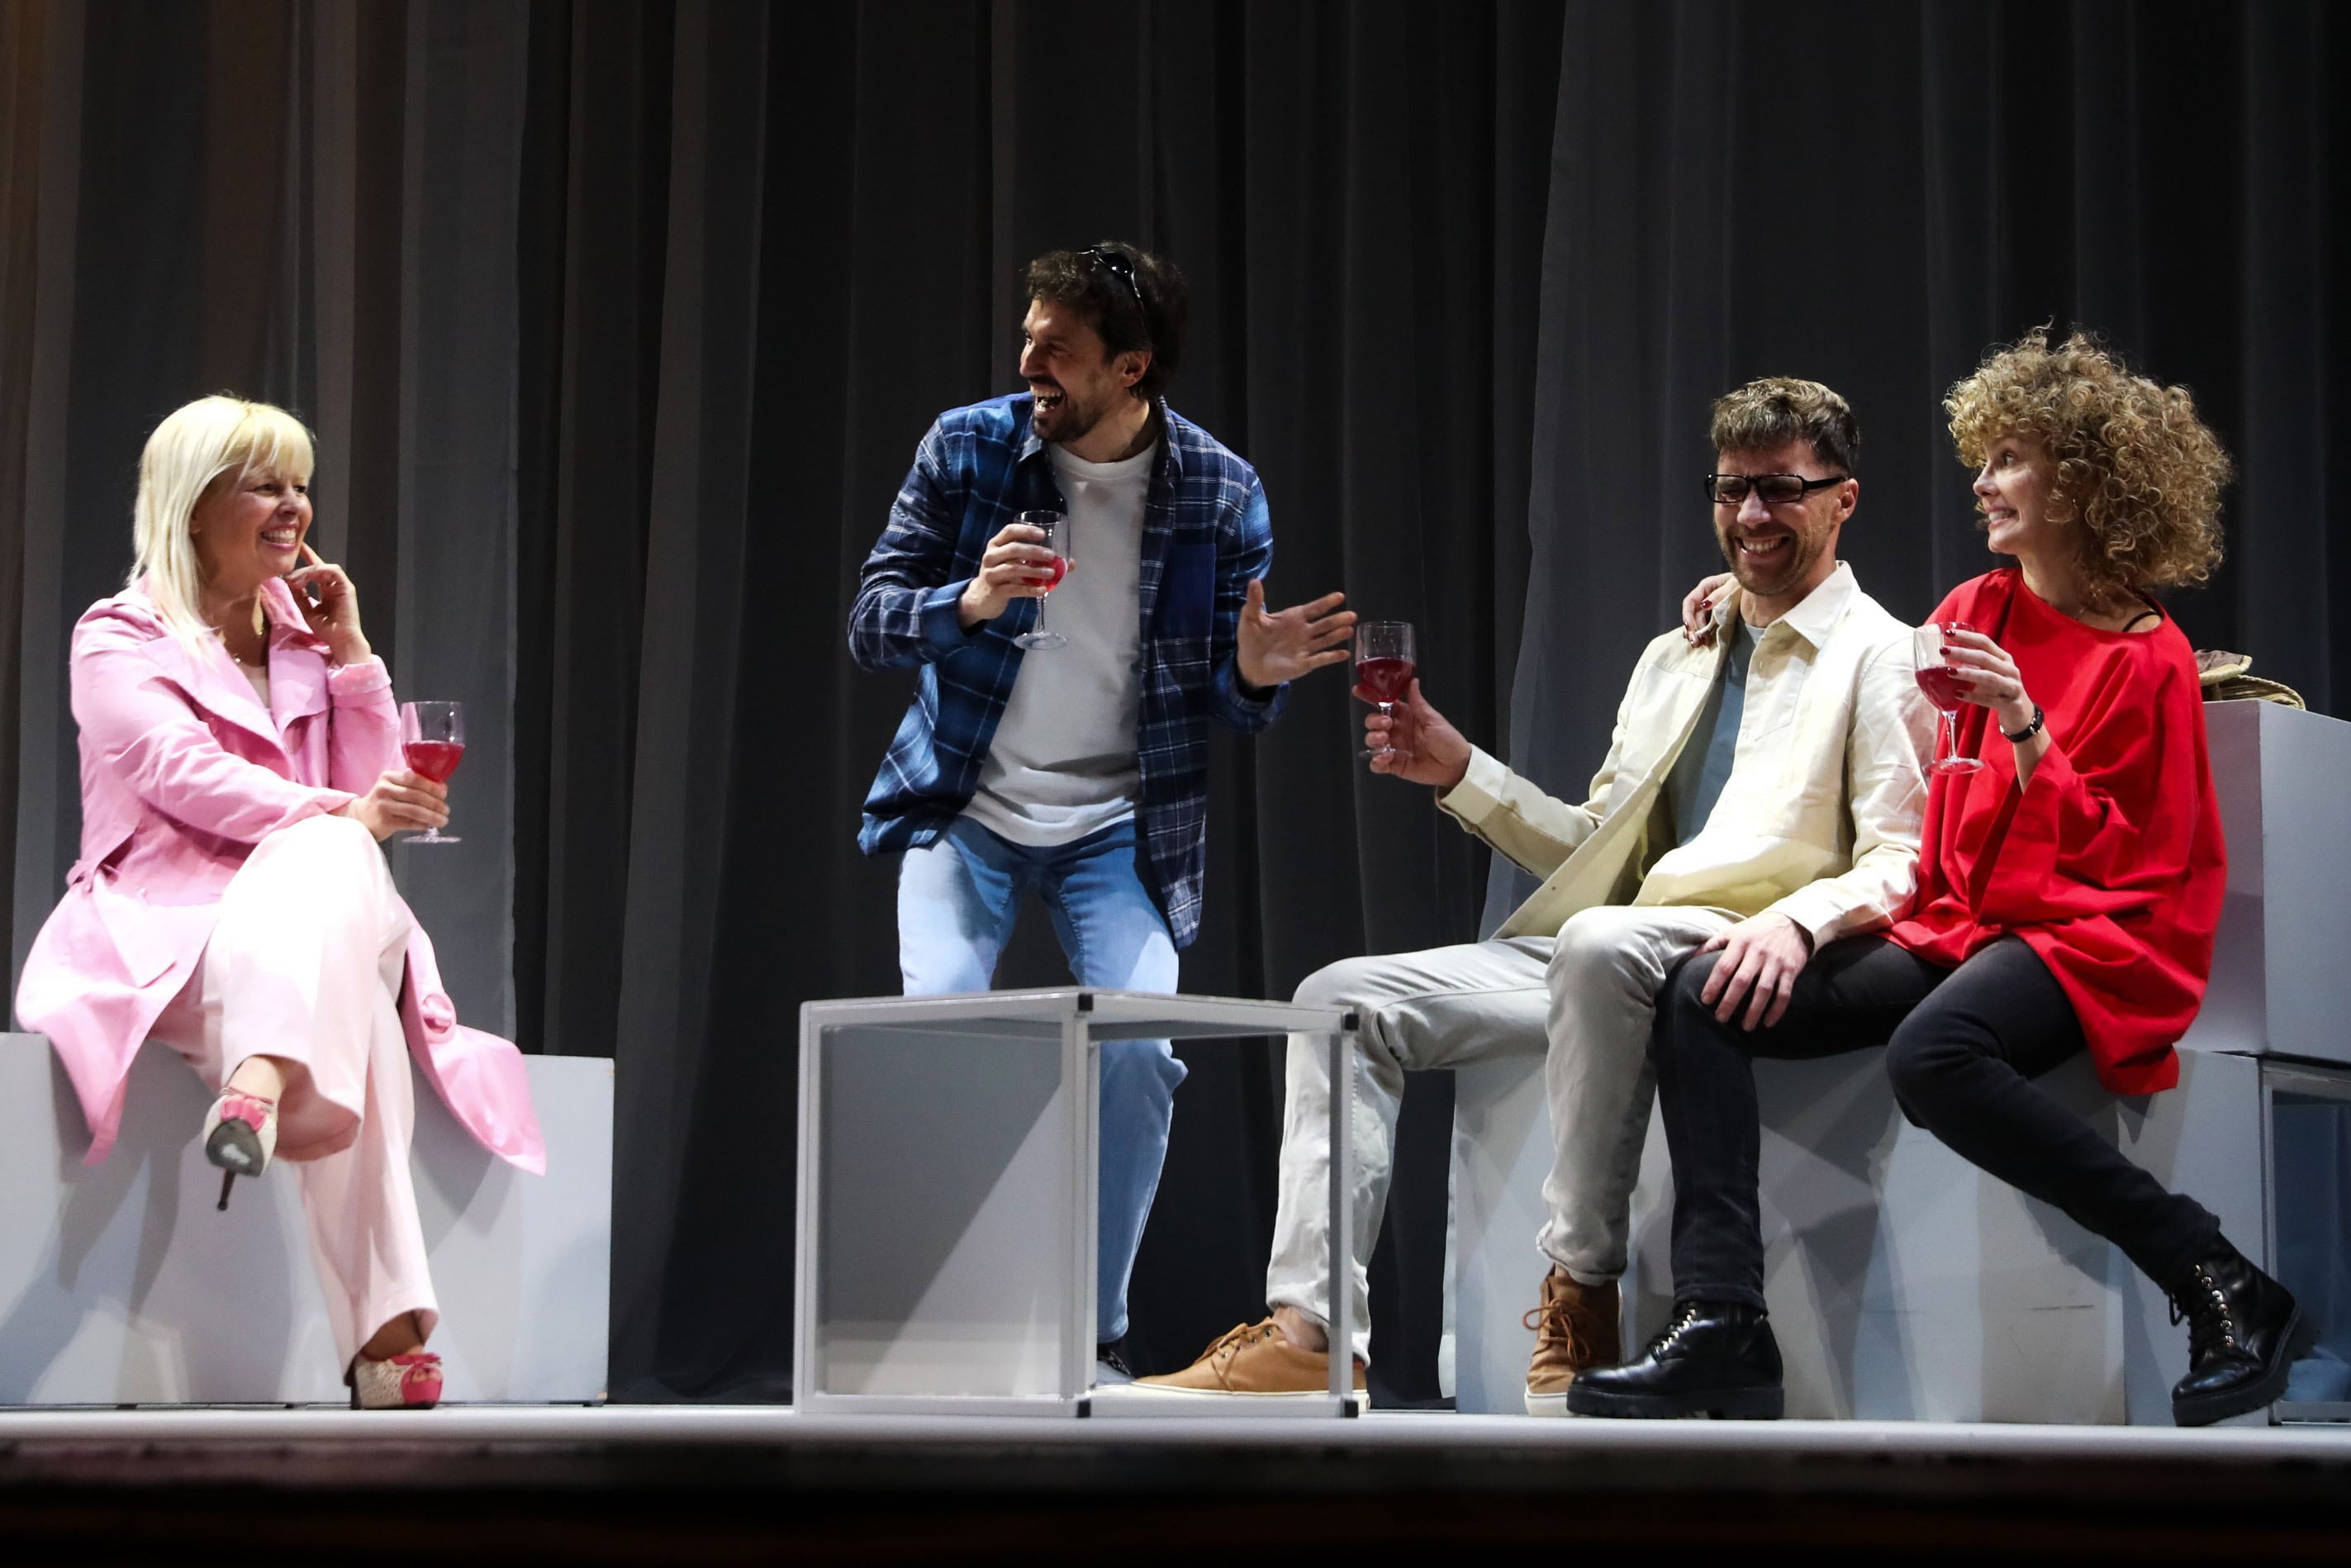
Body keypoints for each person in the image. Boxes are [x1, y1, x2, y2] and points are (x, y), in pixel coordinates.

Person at [1133, 378, 1931, 1408]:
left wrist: (1793, 921)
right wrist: (1459, 766)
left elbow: (1899, 855)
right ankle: (1311, 1332)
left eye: (1780, 490)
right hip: (1607, 941)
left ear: (1841, 500)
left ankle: (1580, 1290)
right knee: (1340, 996)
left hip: (1718, 947)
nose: (1749, 517)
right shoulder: (1674, 655)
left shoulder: (1883, 653)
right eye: (1731, 489)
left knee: (1602, 940)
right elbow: (1595, 847)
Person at [1577, 329, 2296, 1427]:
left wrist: (2022, 724)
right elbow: (1861, 657)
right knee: (1703, 989)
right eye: (1988, 455)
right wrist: (1735, 601)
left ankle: (2214, 1274)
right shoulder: (1974, 608)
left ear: (2081, 481)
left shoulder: (2146, 655)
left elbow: (2123, 859)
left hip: (2096, 933)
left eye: (2010, 458)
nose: (1984, 480)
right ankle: (1723, 1317)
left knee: (1936, 1055)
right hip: (1961, 922)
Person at [848, 243, 1352, 1381]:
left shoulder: (1218, 490)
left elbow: (1223, 697)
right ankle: (956, 1327)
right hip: (963, 805)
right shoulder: (969, 445)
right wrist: (970, 597)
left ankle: (1086, 1329)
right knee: (942, 1039)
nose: (1029, 362)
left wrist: (1258, 675)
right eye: (1027, 338)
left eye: (1056, 350)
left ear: (1129, 369)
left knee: (1137, 1053)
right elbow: (873, 619)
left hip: (1117, 824)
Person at [14, 396, 544, 1410]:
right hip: (170, 939)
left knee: (337, 853)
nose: (294, 506)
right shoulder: (118, 637)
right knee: (357, 986)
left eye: (300, 483)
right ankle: (388, 1340)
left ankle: (261, 1082)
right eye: (265, 484)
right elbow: (182, 776)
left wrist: (350, 653)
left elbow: (382, 784)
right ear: (193, 502)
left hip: (309, 925)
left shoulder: (305, 639)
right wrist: (349, 810)